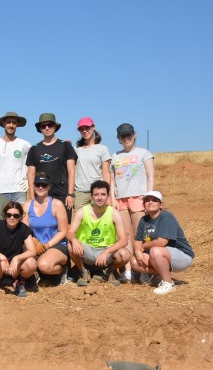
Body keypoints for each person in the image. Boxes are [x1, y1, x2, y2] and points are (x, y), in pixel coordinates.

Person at [110, 123, 155, 284]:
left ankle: (142, 269)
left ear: (134, 135)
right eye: (123, 136)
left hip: (139, 197)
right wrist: (112, 199)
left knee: (140, 235)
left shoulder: (144, 153)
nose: (126, 138)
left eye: (129, 135)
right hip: (121, 199)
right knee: (125, 235)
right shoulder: (115, 156)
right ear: (119, 139)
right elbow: (112, 180)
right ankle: (128, 270)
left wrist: (148, 197)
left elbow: (151, 176)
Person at [66, 180, 130, 287]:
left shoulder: (114, 214)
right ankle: (83, 272)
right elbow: (70, 233)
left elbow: (124, 240)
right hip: (87, 250)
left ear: (108, 196)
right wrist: (74, 240)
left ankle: (109, 272)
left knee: (125, 254)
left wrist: (107, 252)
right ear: (91, 196)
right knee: (70, 245)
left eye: (103, 194)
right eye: (96, 195)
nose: (99, 198)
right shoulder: (82, 212)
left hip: (106, 250)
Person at [131, 191, 194, 295]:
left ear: (161, 205)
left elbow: (162, 242)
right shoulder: (144, 220)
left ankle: (168, 283)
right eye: (147, 200)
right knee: (134, 262)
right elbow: (137, 239)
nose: (150, 202)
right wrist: (137, 251)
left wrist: (143, 246)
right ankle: (165, 275)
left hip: (182, 256)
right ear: (144, 205)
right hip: (161, 255)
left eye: (154, 200)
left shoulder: (166, 216)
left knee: (155, 250)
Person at [26, 113, 77, 220]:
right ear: (40, 129)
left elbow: (72, 171)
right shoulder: (34, 149)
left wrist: (71, 194)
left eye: (50, 125)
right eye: (43, 126)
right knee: (41, 226)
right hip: (41, 195)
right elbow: (31, 175)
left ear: (55, 126)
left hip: (62, 194)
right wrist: (32, 198)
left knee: (64, 227)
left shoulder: (65, 145)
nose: (47, 128)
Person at [0, 201, 37, 297]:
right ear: (4, 215)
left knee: (31, 262)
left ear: (21, 217)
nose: (12, 218)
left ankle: (20, 281)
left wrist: (16, 258)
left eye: (16, 216)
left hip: (14, 269)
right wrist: (2, 258)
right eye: (8, 215)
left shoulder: (24, 229)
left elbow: (32, 251)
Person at [23, 173, 69, 286]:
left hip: (55, 244)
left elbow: (63, 231)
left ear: (49, 186)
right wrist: (34, 242)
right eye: (38, 184)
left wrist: (47, 245)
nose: (40, 187)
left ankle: (61, 271)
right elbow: (24, 231)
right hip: (36, 244)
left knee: (44, 265)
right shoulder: (27, 206)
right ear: (33, 186)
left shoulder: (57, 204)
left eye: (44, 185)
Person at [0, 111, 31, 202]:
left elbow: (30, 168)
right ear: (4, 124)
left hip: (19, 191)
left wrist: (28, 185)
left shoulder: (25, 145)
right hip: (0, 191)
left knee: (21, 216)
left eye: (14, 123)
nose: (11, 125)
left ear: (17, 125)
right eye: (8, 122)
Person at [74, 117, 112, 210]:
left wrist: (108, 194)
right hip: (80, 192)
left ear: (93, 127)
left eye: (87, 128)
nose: (84, 131)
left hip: (97, 191)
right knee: (79, 221)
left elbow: (106, 173)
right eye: (81, 129)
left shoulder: (102, 149)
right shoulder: (76, 150)